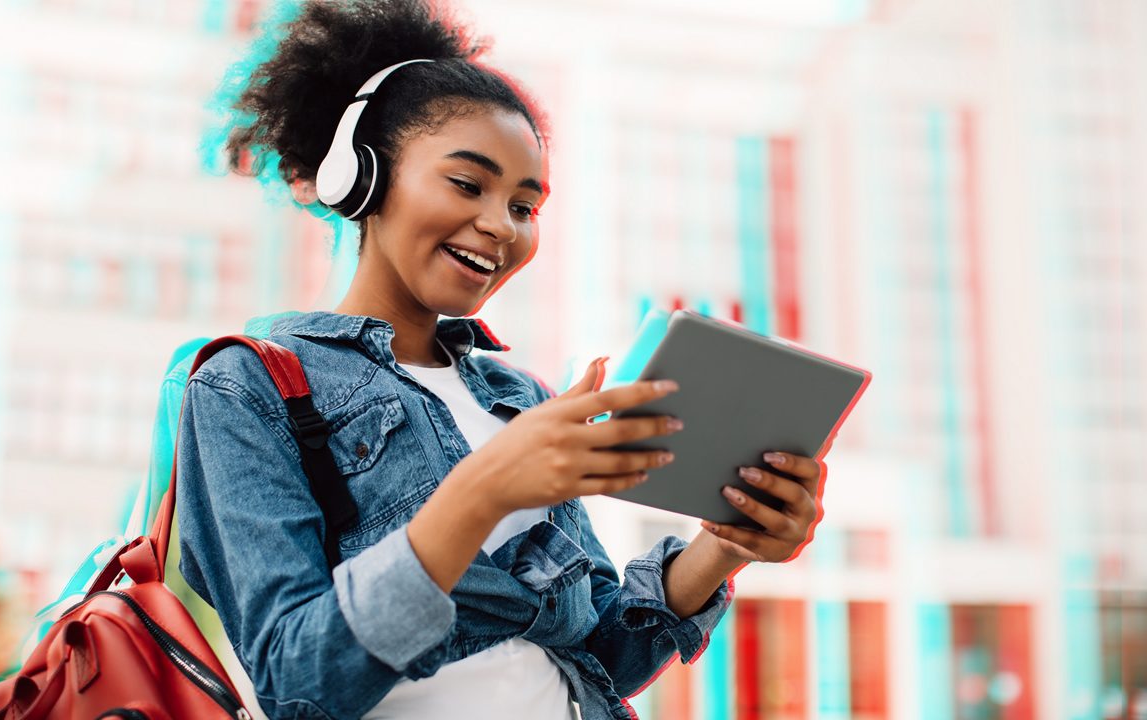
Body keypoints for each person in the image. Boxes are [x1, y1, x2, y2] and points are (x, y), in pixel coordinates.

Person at [174, 1, 826, 718]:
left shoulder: (519, 397)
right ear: (363, 177)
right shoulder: (246, 387)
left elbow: (603, 655)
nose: (499, 225)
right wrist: (484, 488)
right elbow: (299, 682)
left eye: (525, 205)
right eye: (467, 183)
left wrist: (725, 547)